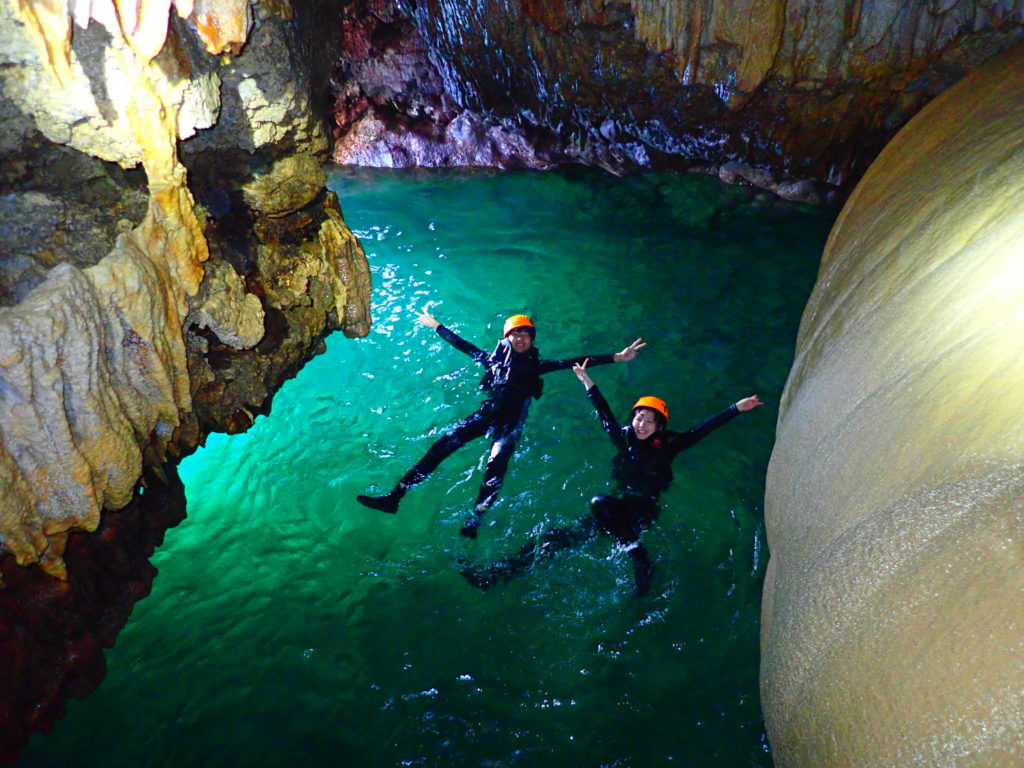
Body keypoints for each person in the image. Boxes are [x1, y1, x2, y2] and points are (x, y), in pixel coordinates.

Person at [462, 359, 763, 595]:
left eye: (650, 421)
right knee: (554, 537)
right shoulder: (624, 438)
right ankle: (497, 575)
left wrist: (736, 408)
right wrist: (588, 382)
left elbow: (701, 430)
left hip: (641, 511)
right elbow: (605, 415)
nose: (642, 424)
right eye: (639, 418)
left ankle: (639, 556)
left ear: (660, 427)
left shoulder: (669, 445)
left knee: (598, 502)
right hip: (616, 511)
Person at [357, 310, 646, 538]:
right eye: (515, 334)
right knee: (439, 450)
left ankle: (473, 522)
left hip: (509, 429)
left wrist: (616, 357)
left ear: (532, 340)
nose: (521, 338)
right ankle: (395, 497)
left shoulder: (537, 366)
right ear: (507, 338)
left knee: (494, 473)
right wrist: (436, 326)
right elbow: (464, 346)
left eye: (526, 334)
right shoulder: (491, 361)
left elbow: (575, 360)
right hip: (485, 416)